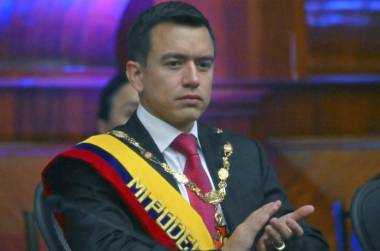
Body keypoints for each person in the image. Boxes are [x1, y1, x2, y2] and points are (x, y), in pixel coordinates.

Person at [42, 2, 329, 250]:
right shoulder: (90, 167)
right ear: (137, 75)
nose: (193, 78)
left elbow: (312, 243)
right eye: (175, 63)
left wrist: (278, 243)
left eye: (204, 65)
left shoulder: (245, 154)